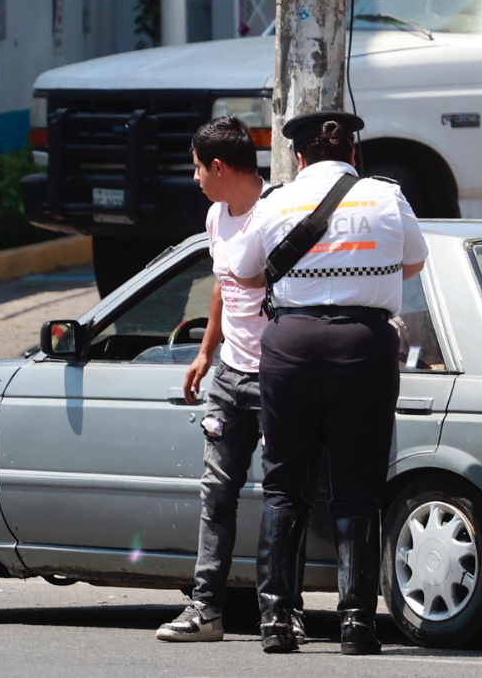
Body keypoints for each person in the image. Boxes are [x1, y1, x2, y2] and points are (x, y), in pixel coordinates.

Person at [228, 111, 428, 656]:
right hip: (363, 345)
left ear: (298, 157)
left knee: (284, 484)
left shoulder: (275, 203)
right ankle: (358, 623)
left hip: (290, 344)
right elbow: (414, 261)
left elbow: (244, 273)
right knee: (358, 486)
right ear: (353, 155)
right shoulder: (386, 196)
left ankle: (274, 621)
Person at [155, 116, 308, 643]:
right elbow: (221, 285)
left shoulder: (278, 215)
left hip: (279, 379)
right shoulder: (216, 217)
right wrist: (205, 352)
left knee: (283, 499)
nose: (195, 177)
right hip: (229, 377)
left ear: (219, 167)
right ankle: (206, 611)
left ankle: (285, 610)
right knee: (216, 495)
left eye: (198, 168)